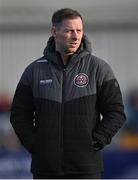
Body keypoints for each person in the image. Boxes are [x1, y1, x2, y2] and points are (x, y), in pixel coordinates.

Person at [10, 8, 126, 179]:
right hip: (46, 169)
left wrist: (97, 140)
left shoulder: (98, 68)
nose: (76, 36)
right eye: (69, 30)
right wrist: (34, 145)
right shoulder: (34, 71)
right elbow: (19, 115)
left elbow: (116, 113)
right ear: (54, 31)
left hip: (86, 168)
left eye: (79, 30)